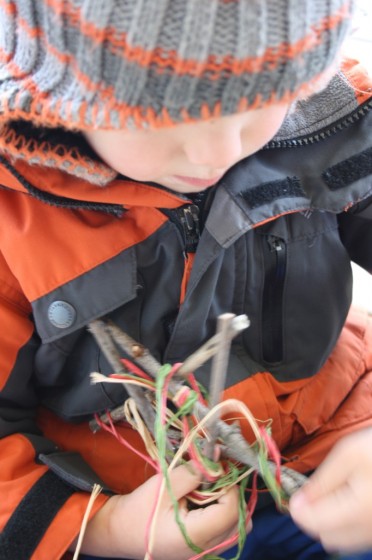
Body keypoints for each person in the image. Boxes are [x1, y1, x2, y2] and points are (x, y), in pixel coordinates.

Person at [0, 0, 372, 559]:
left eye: (262, 102)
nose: (217, 152)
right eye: (160, 115)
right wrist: (102, 528)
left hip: (331, 450)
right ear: (62, 95)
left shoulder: (332, 121)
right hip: (120, 509)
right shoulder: (14, 219)